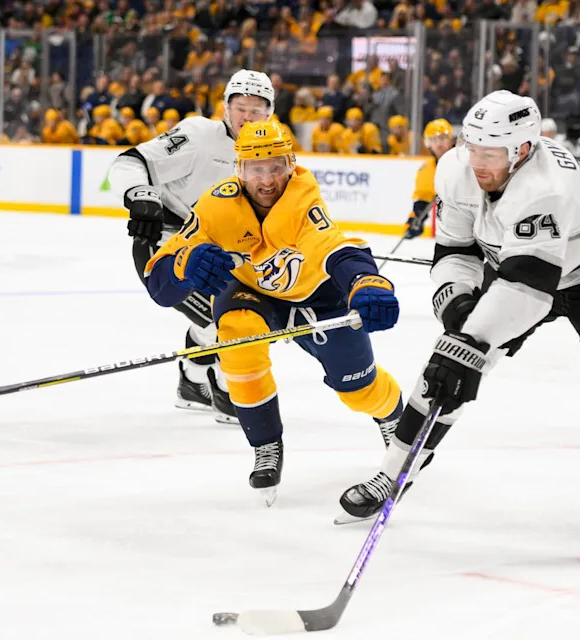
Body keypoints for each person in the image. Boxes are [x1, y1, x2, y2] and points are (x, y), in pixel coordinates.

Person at [337, 90, 580, 564]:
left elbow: (528, 293)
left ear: (522, 150)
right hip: (517, 267)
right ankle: (392, 474)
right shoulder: (455, 169)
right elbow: (456, 251)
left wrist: (466, 345)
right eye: (472, 147)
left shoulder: (545, 188)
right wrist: (456, 310)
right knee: (440, 371)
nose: (477, 162)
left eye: (490, 153)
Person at [143, 120, 403, 505]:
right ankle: (266, 444)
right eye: (256, 169)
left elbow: (336, 249)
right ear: (239, 170)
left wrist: (366, 281)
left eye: (276, 167)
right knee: (237, 337)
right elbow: (159, 283)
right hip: (250, 292)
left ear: (290, 165)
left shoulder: (302, 199)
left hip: (317, 296)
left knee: (358, 391)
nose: (267, 180)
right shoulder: (216, 205)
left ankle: (393, 418)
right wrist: (184, 264)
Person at [108, 69, 275, 424]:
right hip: (167, 246)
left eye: (256, 110)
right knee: (228, 321)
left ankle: (193, 379)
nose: (247, 117)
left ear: (269, 113)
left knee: (247, 312)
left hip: (213, 253)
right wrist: (140, 196)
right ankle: (228, 389)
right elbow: (131, 161)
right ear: (226, 108)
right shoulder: (199, 135)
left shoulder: (272, 154)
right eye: (240, 108)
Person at [403, 119, 455, 239]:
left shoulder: (465, 160)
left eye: (442, 139)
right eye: (434, 140)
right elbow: (423, 197)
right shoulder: (428, 168)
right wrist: (416, 218)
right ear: (428, 144)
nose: (439, 144)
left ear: (451, 140)